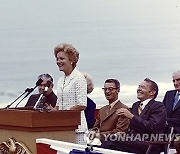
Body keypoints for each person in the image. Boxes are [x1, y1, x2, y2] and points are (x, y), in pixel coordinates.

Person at [101, 78, 167, 154]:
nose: (139, 89)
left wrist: (131, 116)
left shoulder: (158, 106)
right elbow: (134, 127)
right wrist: (125, 134)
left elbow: (153, 127)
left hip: (150, 143)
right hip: (134, 141)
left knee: (110, 141)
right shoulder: (135, 105)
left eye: (143, 87)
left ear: (152, 92)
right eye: (139, 87)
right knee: (110, 140)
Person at [49, 43, 87, 145]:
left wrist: (64, 114)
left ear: (71, 60)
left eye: (62, 58)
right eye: (57, 59)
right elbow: (59, 104)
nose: (58, 61)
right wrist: (53, 110)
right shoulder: (61, 80)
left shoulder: (79, 78)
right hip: (63, 128)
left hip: (77, 129)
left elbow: (82, 104)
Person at [87, 79, 130, 144]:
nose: (107, 91)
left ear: (118, 90)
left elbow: (119, 132)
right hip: (98, 142)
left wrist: (98, 135)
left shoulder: (124, 109)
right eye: (105, 89)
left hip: (113, 144)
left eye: (110, 89)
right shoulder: (102, 110)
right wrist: (93, 131)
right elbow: (96, 127)